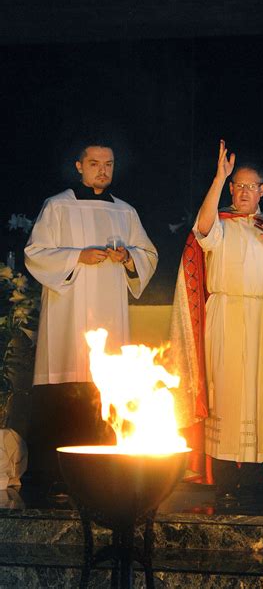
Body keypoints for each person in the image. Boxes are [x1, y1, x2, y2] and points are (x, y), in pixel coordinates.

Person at [170, 140, 263, 501]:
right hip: (225, 316)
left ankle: (254, 480)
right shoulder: (219, 222)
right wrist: (219, 177)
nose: (242, 192)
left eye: (250, 186)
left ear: (262, 190)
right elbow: (201, 230)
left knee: (260, 394)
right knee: (224, 391)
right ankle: (222, 477)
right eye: (237, 185)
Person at [24, 142, 158, 486]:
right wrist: (76, 258)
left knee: (105, 389)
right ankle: (55, 477)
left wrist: (129, 258)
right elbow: (35, 254)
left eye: (108, 164)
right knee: (66, 387)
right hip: (67, 313)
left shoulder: (125, 212)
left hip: (109, 312)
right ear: (79, 166)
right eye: (95, 163)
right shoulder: (57, 206)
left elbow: (148, 254)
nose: (102, 170)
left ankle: (103, 478)